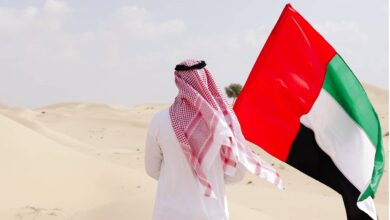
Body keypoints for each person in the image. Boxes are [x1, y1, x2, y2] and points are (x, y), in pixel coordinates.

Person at [145, 59, 282, 220]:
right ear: (207, 79)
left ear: (178, 81)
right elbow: (237, 174)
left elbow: (152, 169)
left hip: (169, 214)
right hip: (213, 214)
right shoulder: (224, 123)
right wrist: (213, 179)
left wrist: (177, 177)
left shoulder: (159, 120)